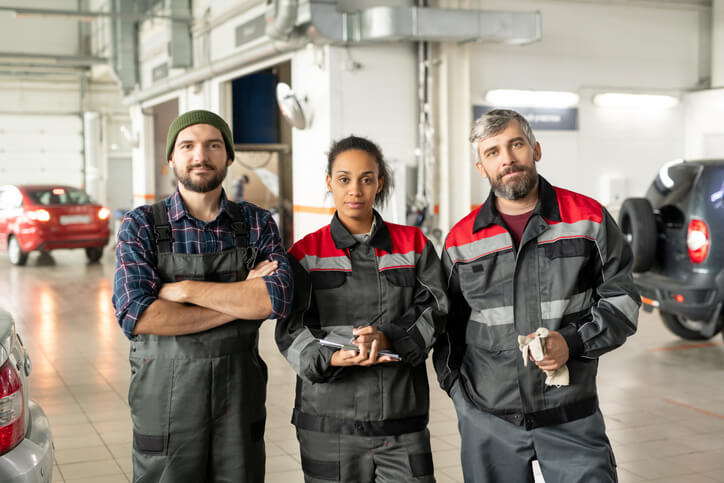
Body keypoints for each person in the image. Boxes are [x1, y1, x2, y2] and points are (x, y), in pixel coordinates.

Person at [433, 109, 639, 482]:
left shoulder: (588, 220)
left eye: (516, 145)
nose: (507, 159)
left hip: (571, 414)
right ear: (481, 167)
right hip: (489, 419)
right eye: (492, 152)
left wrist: (573, 342)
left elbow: (623, 301)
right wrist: (461, 399)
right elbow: (447, 327)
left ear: (536, 150)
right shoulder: (462, 240)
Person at [112, 109, 293, 483]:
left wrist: (186, 291)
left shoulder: (256, 223)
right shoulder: (141, 224)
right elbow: (138, 314)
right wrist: (241, 296)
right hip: (164, 402)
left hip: (237, 399)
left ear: (228, 156)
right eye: (188, 145)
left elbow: (275, 300)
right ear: (171, 159)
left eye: (213, 145)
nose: (200, 156)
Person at [276, 135, 448, 482]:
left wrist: (389, 339)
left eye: (366, 179)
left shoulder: (413, 245)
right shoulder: (306, 253)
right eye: (344, 179)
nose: (355, 189)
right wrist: (330, 355)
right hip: (328, 424)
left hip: (401, 421)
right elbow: (291, 329)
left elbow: (436, 308)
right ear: (329, 183)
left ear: (379, 183)